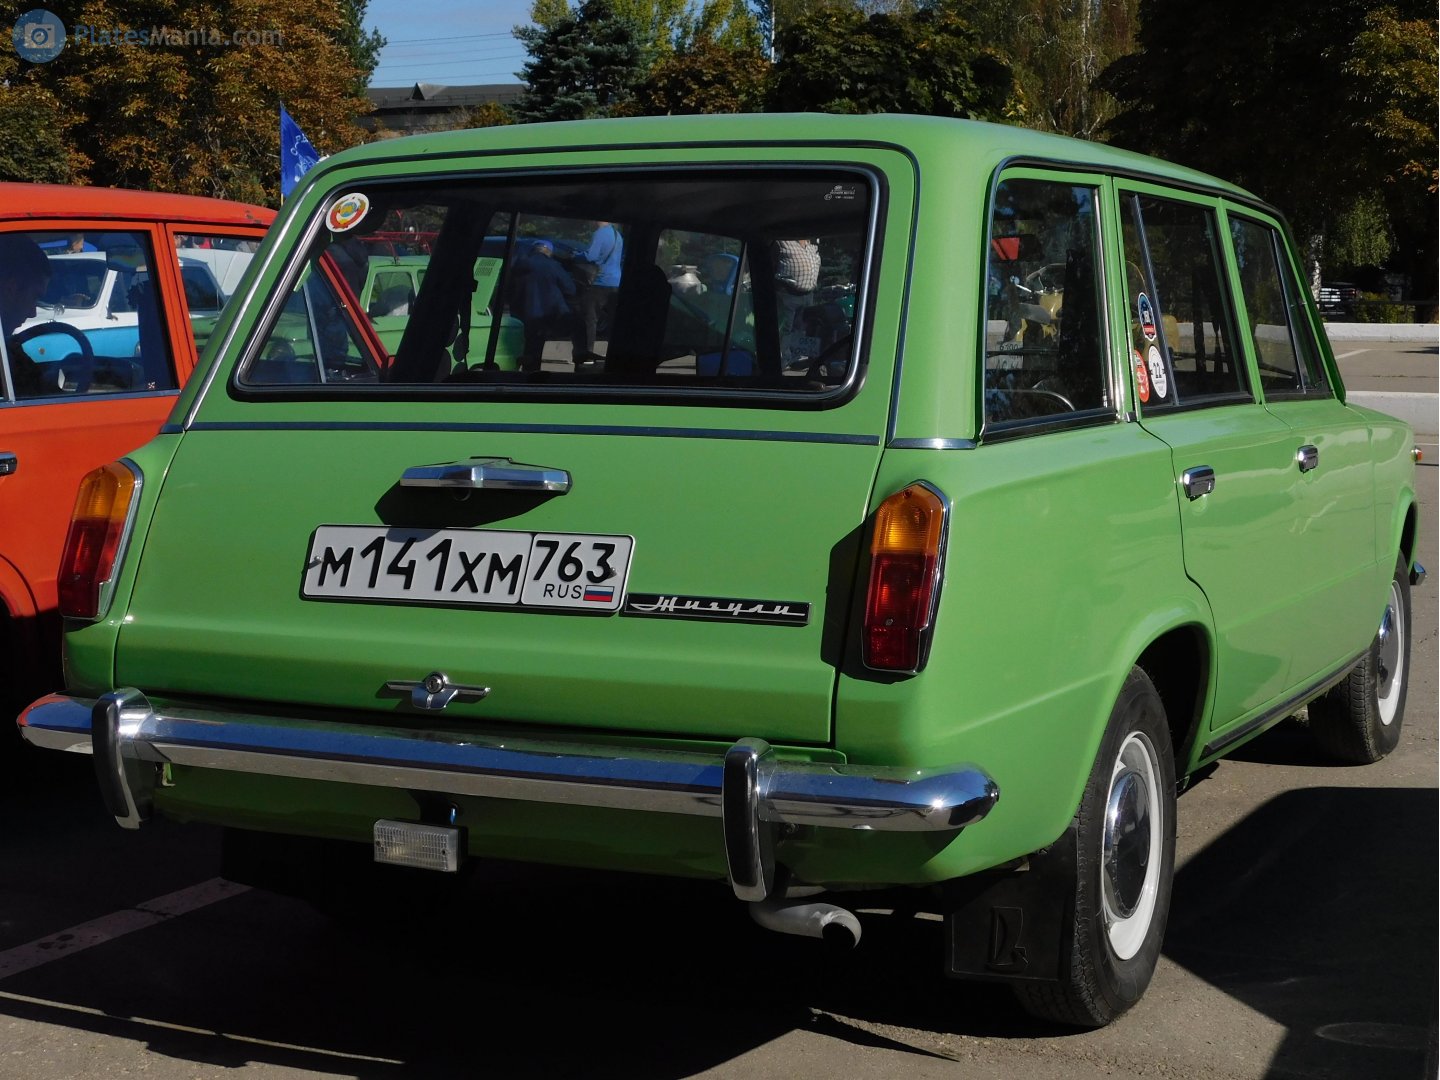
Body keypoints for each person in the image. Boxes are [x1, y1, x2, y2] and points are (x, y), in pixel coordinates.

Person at [509, 240, 576, 372]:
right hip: (545, 313)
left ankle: (518, 373)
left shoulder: (519, 265)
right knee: (536, 346)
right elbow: (570, 289)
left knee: (522, 344)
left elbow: (509, 289)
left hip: (520, 312)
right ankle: (532, 375)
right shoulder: (553, 265)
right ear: (548, 251)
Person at [0, 234, 53, 398]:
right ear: (12, 289)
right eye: (34, 297)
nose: (33, 312)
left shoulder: (6, 346)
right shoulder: (6, 353)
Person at [570, 220, 622, 367]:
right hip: (616, 281)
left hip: (600, 281)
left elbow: (591, 256)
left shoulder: (599, 234)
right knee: (613, 319)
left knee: (589, 318)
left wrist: (575, 255)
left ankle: (588, 352)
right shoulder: (617, 235)